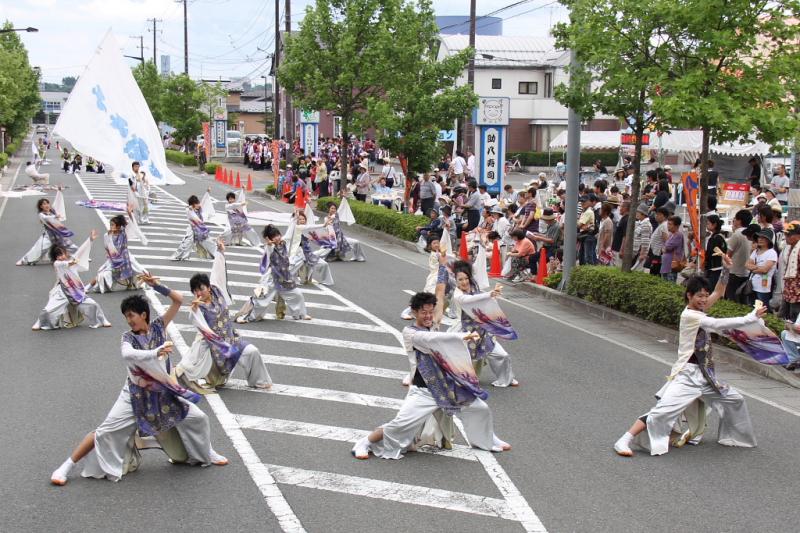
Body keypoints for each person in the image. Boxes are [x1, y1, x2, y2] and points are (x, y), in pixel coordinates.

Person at [49, 284, 228, 485]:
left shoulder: (159, 327)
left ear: (144, 315)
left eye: (131, 315)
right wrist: (155, 353)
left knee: (198, 417)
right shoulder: (128, 338)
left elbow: (178, 300)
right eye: (126, 316)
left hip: (163, 393)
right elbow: (128, 354)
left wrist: (155, 286)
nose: (129, 320)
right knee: (104, 431)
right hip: (135, 396)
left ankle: (206, 451)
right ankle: (65, 467)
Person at [351, 275, 511, 460]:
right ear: (413, 313)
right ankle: (364, 442)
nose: (428, 316)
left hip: (446, 387)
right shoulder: (411, 333)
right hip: (423, 391)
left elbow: (440, 294)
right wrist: (461, 337)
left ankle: (487, 440)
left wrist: (443, 267)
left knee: (479, 408)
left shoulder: (433, 324)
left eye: (430, 312)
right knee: (400, 425)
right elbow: (433, 340)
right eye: (423, 312)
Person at [613, 270, 762, 457]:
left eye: (705, 296)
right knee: (661, 412)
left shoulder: (699, 310)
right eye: (699, 296)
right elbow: (717, 324)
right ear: (689, 295)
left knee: (735, 399)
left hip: (706, 377)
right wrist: (751, 317)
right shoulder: (691, 316)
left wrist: (725, 270)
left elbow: (719, 291)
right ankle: (624, 440)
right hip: (687, 376)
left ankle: (734, 437)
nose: (704, 299)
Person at [177, 242, 274, 389]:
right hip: (214, 348)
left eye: (201, 289)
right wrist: (194, 310)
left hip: (231, 339)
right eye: (195, 291)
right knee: (215, 381)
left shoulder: (217, 291)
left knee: (252, 351)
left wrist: (220, 252)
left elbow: (217, 271)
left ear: (208, 287)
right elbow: (194, 320)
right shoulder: (197, 308)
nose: (198, 293)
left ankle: (259, 381)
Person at [451, 260, 518, 387]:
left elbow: (479, 266)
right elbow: (470, 300)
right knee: (462, 359)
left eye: (466, 278)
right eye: (460, 280)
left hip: (484, 331)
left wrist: (481, 243)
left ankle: (506, 378)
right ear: (455, 280)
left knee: (502, 355)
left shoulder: (473, 284)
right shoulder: (458, 295)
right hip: (468, 333)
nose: (464, 282)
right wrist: (489, 294)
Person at [33, 234, 113, 330]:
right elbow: (65, 263)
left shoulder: (72, 261)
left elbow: (81, 252)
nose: (61, 257)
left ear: (66, 253)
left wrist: (90, 240)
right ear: (55, 257)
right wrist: (72, 262)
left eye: (62, 254)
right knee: (48, 309)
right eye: (58, 255)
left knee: (93, 304)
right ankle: (40, 322)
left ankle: (102, 320)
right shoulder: (57, 264)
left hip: (75, 291)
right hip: (61, 291)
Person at [237, 225, 311, 323]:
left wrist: (294, 220)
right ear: (270, 239)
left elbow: (290, 233)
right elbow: (269, 249)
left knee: (297, 295)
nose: (277, 237)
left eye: (278, 235)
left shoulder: (283, 243)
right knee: (261, 301)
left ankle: (301, 314)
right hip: (272, 279)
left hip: (285, 278)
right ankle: (248, 317)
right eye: (274, 236)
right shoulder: (270, 247)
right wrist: (269, 244)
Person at [87, 213, 148, 293]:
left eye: (112, 225)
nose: (111, 226)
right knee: (101, 273)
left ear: (118, 226)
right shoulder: (107, 235)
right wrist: (110, 256)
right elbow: (106, 248)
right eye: (110, 224)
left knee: (142, 271)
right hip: (113, 260)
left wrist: (130, 213)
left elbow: (131, 224)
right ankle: (87, 287)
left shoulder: (123, 233)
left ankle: (133, 283)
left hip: (126, 258)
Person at [17, 197, 78, 266]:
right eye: (44, 204)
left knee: (71, 246)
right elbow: (46, 218)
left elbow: (58, 202)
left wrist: (59, 191)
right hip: (49, 236)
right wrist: (54, 217)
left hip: (58, 234)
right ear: (41, 206)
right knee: (38, 249)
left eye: (47, 203)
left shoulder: (52, 211)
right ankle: (23, 261)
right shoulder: (41, 214)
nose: (47, 205)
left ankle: (80, 256)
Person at [288, 211, 335, 285]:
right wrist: (323, 224)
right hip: (298, 254)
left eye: (303, 219)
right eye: (300, 219)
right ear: (296, 220)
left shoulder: (307, 230)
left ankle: (326, 281)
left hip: (308, 254)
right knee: (291, 268)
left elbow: (318, 233)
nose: (302, 221)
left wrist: (326, 228)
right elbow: (309, 226)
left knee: (324, 264)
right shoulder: (297, 227)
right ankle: (284, 278)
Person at [170, 194, 217, 261]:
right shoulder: (189, 210)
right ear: (193, 204)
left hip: (200, 229)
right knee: (186, 244)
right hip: (192, 229)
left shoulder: (198, 209)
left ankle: (215, 254)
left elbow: (203, 201)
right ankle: (179, 256)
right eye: (196, 203)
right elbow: (195, 218)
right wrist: (200, 221)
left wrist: (207, 192)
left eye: (198, 203)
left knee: (208, 241)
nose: (198, 205)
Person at [725, 209, 755, 302]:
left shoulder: (737, 234)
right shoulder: (749, 233)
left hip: (734, 271)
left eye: (735, 219)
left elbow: (728, 254)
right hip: (746, 272)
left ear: (739, 221)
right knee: (741, 299)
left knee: (730, 298)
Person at [745, 229, 778, 307]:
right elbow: (746, 265)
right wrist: (758, 267)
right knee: (752, 308)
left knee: (761, 309)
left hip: (763, 288)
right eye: (759, 237)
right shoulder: (755, 251)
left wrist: (752, 268)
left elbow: (764, 270)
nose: (760, 239)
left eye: (763, 238)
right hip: (752, 285)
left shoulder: (772, 253)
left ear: (769, 240)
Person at [704, 214, 727, 288]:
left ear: (714, 225)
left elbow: (710, 253)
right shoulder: (719, 236)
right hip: (718, 266)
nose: (706, 225)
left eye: (708, 223)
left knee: (711, 288)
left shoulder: (715, 238)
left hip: (714, 267)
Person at [661, 215, 685, 282]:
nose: (668, 226)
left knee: (669, 285)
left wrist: (664, 248)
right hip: (666, 264)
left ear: (677, 226)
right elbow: (664, 247)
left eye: (670, 224)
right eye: (668, 223)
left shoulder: (678, 235)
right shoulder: (671, 234)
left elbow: (668, 247)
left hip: (671, 265)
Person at [632, 203, 653, 270]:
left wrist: (642, 254)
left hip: (639, 254)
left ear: (643, 214)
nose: (636, 214)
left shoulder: (646, 224)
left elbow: (645, 241)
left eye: (638, 212)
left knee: (636, 271)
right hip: (635, 253)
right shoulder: (640, 223)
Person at [577, 195, 597, 265]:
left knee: (587, 257)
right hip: (585, 236)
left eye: (584, 201)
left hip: (588, 236)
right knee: (582, 256)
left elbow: (579, 225)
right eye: (581, 201)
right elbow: (580, 225)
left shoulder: (588, 212)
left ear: (589, 202)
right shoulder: (584, 211)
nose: (582, 203)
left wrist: (577, 222)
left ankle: (591, 273)